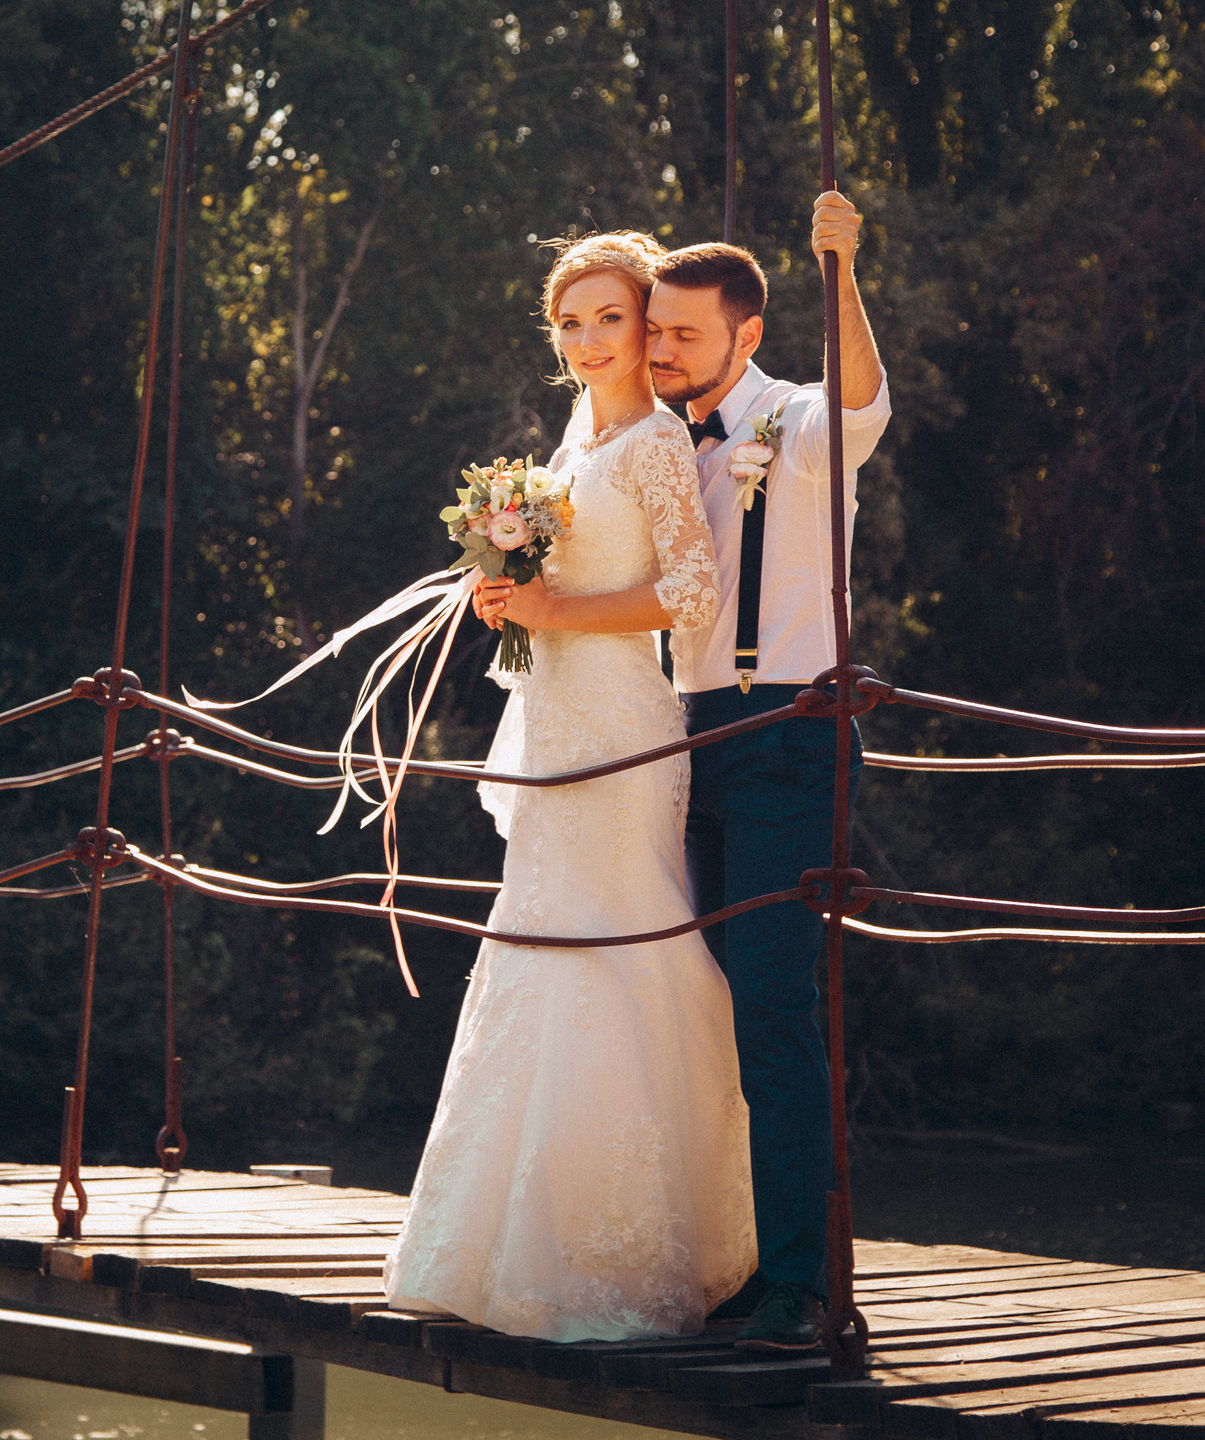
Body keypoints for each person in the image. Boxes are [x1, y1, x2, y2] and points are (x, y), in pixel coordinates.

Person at [379, 231, 756, 1342]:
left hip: (621, 729)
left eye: (608, 319)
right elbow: (562, 578)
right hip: (552, 723)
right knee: (538, 941)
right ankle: (503, 1249)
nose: (587, 341)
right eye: (569, 322)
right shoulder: (576, 438)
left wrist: (553, 612)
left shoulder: (650, 442)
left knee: (622, 943)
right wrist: (509, 596)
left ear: (647, 328)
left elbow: (689, 591)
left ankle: (639, 1253)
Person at [642, 193, 891, 1352]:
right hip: (685, 734)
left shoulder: (795, 419)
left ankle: (800, 1282)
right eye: (654, 333)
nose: (658, 352)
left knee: (775, 1012)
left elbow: (860, 397)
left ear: (745, 334)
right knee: (695, 1007)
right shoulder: (654, 438)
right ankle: (739, 1261)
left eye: (680, 335)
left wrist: (838, 268)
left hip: (788, 733)